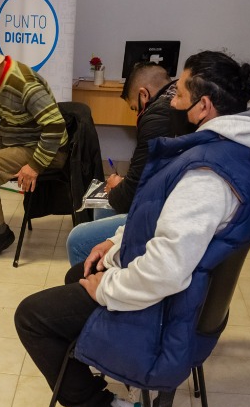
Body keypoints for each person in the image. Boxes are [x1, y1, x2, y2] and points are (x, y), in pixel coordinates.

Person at [14, 51, 250, 407]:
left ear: (204, 106)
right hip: (187, 302)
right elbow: (163, 222)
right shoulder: (243, 154)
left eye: (181, 91)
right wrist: (117, 243)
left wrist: (107, 288)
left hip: (167, 314)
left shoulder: (208, 177)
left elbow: (166, 271)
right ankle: (110, 383)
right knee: (79, 272)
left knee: (32, 317)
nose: (172, 98)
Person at [65, 62, 191, 265]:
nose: (136, 115)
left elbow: (128, 197)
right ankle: (110, 267)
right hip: (166, 198)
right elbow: (144, 173)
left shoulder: (157, 118)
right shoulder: (171, 107)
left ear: (144, 95)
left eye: (134, 108)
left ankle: (97, 279)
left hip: (165, 211)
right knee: (104, 207)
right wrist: (123, 185)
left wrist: (117, 187)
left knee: (77, 239)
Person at [0, 41, 68, 259]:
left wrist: (35, 166)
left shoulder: (24, 84)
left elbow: (55, 125)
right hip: (18, 143)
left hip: (45, 150)